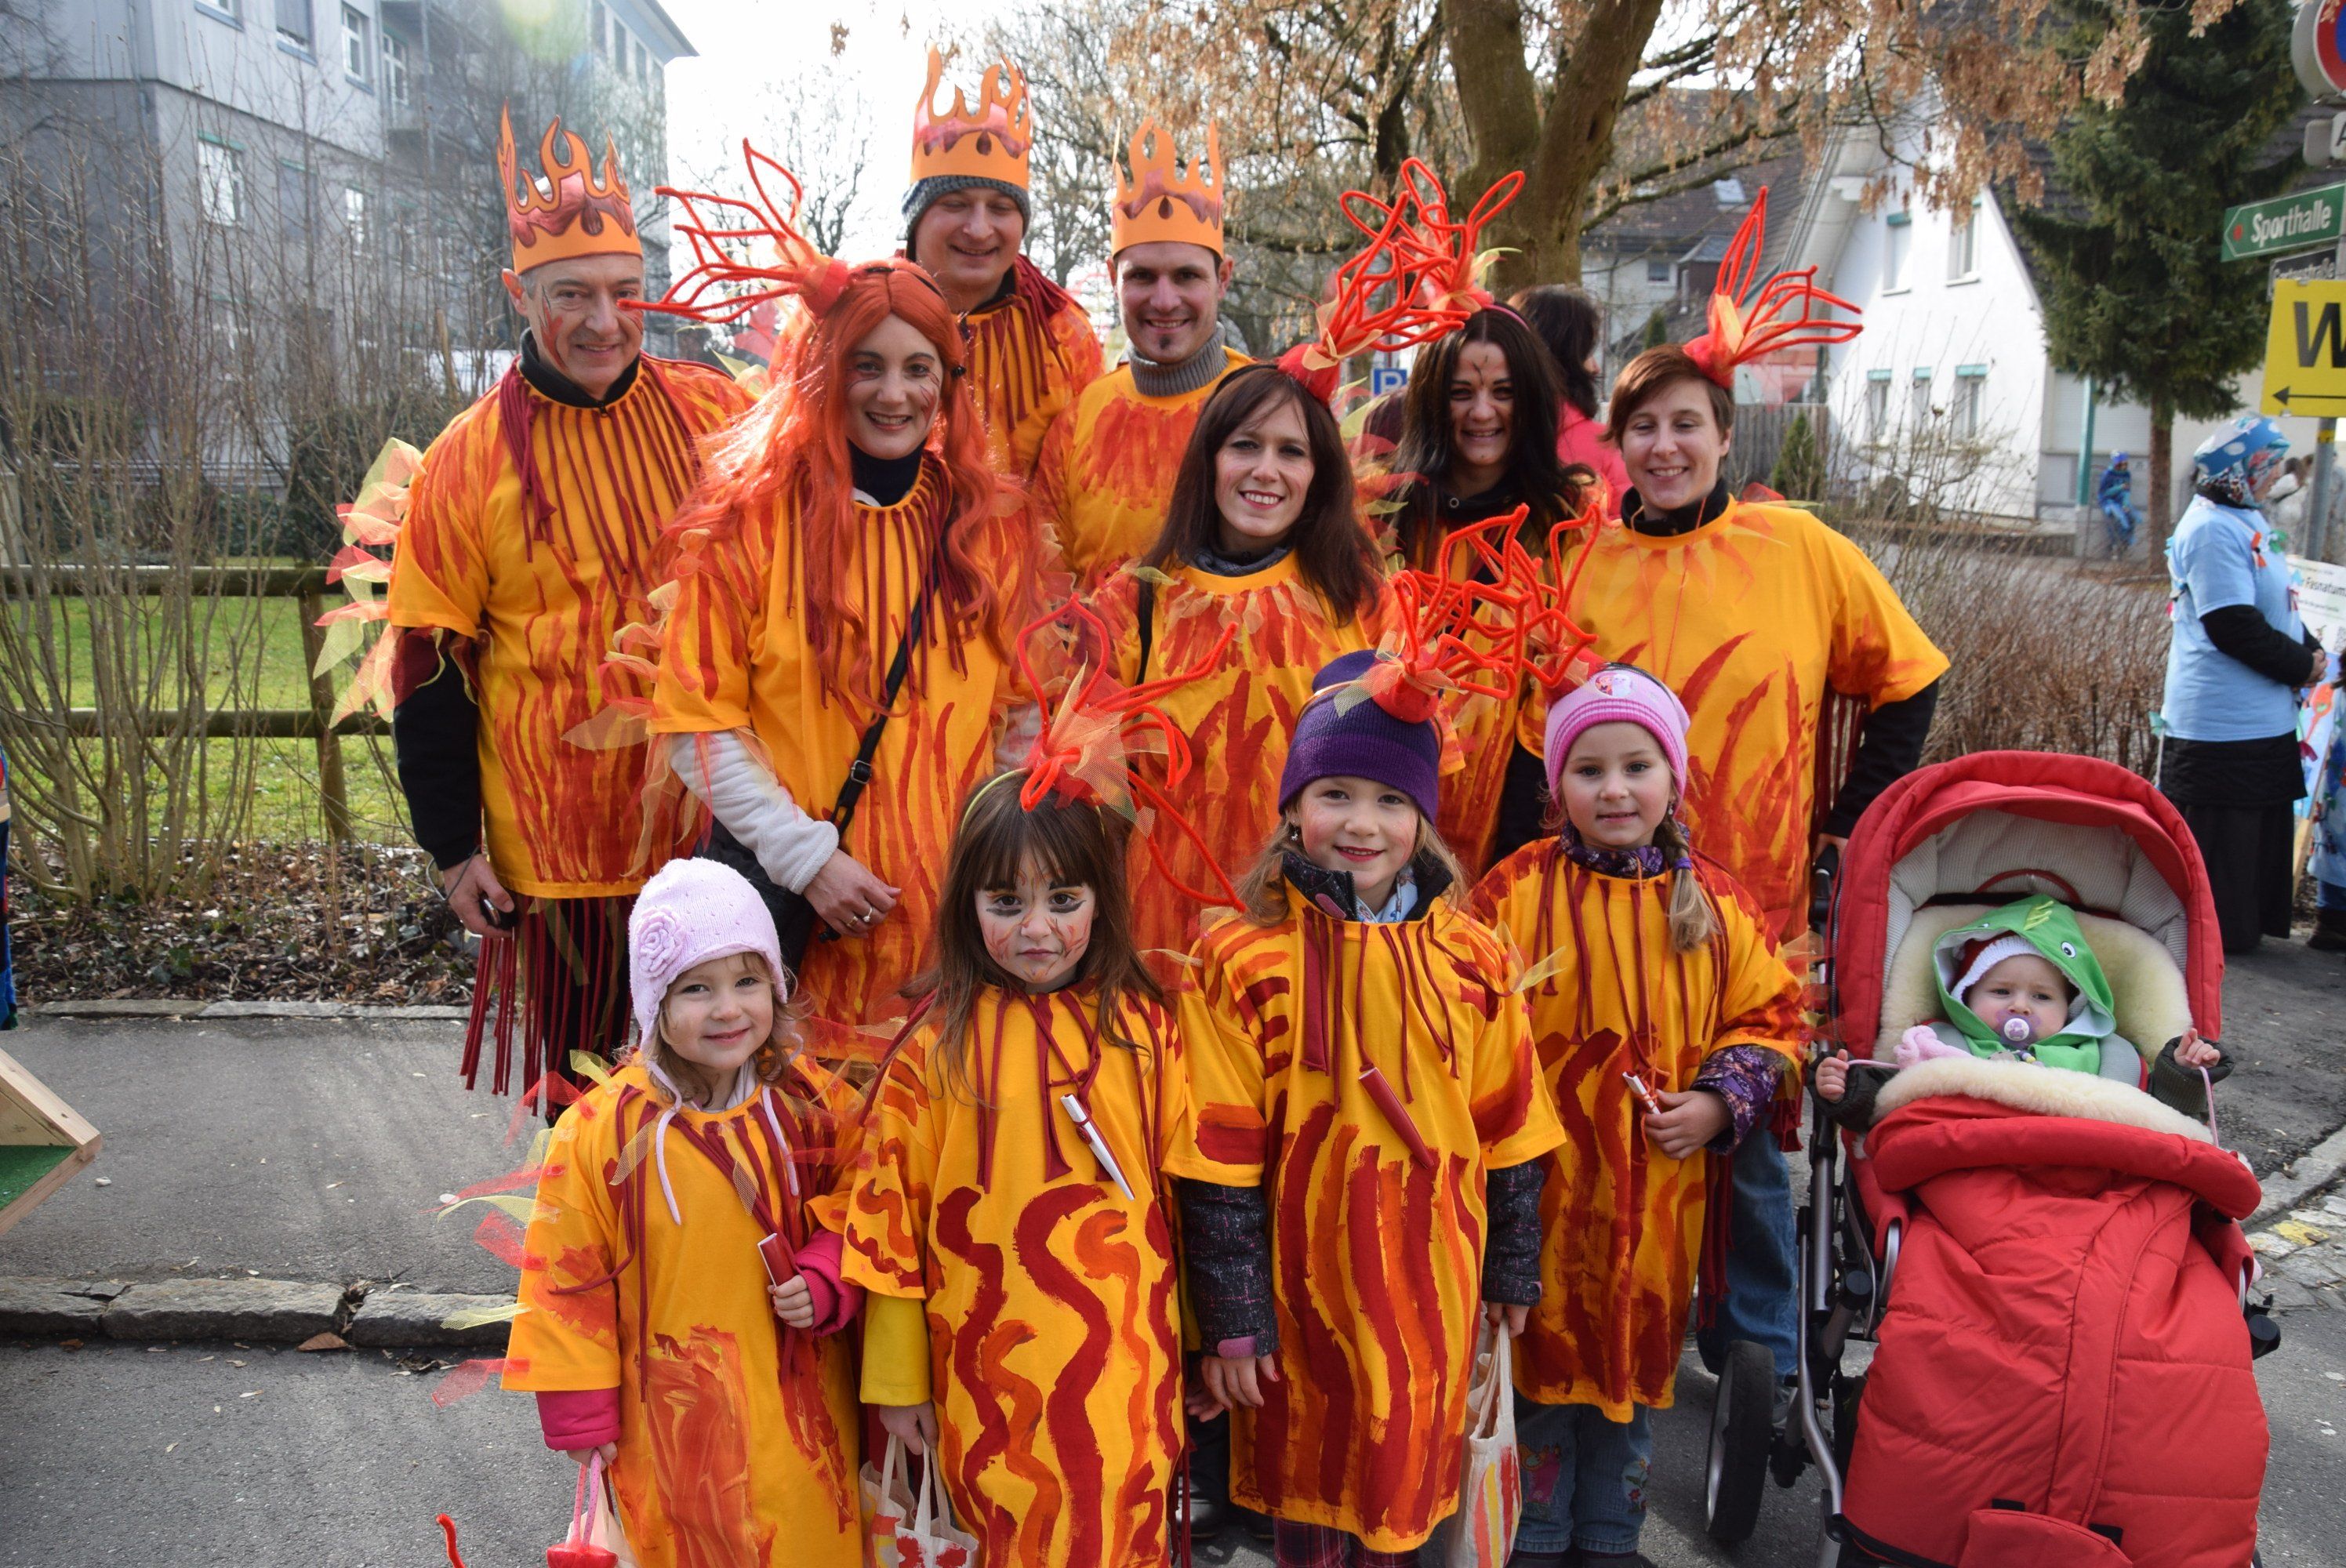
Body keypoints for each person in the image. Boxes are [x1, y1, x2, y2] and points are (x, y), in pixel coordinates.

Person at [1557, 187, 1946, 1396]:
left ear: (1726, 437)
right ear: (1619, 445)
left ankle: (1759, 1361)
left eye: (1687, 424)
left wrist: (1848, 824)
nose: (1665, 448)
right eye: (1643, 428)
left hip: (1758, 909)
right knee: (1619, 1120)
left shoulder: (1803, 550)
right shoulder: (1582, 564)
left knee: (1751, 1140)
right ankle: (1607, 1346)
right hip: (1613, 905)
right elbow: (1540, 733)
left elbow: (1909, 679)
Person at [1169, 648, 1565, 1566]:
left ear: (1423, 818)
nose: (1361, 822)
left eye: (1390, 799)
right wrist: (1232, 1317)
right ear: (1292, 807)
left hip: (1432, 1287)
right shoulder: (1241, 959)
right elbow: (1218, 1161)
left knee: (1407, 1493)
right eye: (1335, 793)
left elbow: (1511, 1127)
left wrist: (1510, 1266)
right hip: (1298, 1294)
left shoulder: (1474, 959)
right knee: (1311, 1495)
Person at [386, 111, 754, 1099]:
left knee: (721, 1094)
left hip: (718, 831)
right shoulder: (466, 461)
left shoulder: (715, 414)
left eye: (623, 292)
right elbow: (425, 663)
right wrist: (452, 848)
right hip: (559, 860)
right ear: (519, 293)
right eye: (571, 295)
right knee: (591, 1108)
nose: (603, 321)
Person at [644, 150, 1037, 1028]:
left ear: (946, 383)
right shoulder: (750, 525)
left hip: (950, 930)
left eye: (918, 368)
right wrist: (808, 859)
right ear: (825, 373)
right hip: (800, 928)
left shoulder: (986, 529)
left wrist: (995, 874)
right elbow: (696, 727)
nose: (894, 394)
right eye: (867, 366)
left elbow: (1020, 718)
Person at [1467, 665, 1801, 1566]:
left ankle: (1611, 1532)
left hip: (1657, 1196)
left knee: (1633, 1360)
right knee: (1537, 1352)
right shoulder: (1513, 890)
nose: (1613, 789)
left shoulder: (1716, 903)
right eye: (1589, 770)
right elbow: (1460, 1005)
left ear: (1672, 777)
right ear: (1557, 785)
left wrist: (1718, 1101)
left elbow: (1772, 1015)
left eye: (1636, 766)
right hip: (1541, 1188)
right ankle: (1536, 1529)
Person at [839, 736, 1191, 1566]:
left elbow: (1186, 1201)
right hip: (984, 1374)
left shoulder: (1145, 1032)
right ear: (967, 905)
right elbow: (889, 1229)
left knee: (1119, 1521)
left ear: (1102, 900)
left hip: (1132, 1367)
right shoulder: (931, 1051)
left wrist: (1208, 1342)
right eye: (1005, 902)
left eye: (1063, 898)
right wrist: (898, 1382)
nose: (1037, 929)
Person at [503, 858, 865, 1568]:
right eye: (697, 988)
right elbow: (565, 1274)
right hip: (667, 1420)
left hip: (800, 1409)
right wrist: (580, 1405)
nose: (728, 1010)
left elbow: (865, 1203)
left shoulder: (811, 1105)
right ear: (655, 1003)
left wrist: (827, 1274)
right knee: (684, 1542)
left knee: (805, 1535)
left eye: (748, 982)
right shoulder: (602, 1132)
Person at [1085, 364, 1389, 965]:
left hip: (1319, 933)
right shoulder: (1130, 602)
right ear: (1209, 458)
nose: (1266, 470)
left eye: (1291, 451)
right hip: (1163, 935)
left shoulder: (1361, 600)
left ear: (1319, 472)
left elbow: (1405, 789)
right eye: (1245, 445)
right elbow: (1093, 799)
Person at [1383, 307, 1575, 880]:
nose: (1482, 412)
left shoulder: (1567, 526)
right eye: (1461, 393)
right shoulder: (1383, 518)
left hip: (1514, 829)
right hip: (1381, 817)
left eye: (1504, 392)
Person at [1032, 119, 1250, 587]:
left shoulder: (1268, 408)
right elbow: (1049, 586)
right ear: (1114, 279)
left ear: (1223, 278)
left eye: (1187, 276)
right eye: (1143, 276)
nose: (1165, 301)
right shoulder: (1076, 424)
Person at [1814, 894, 2228, 1129]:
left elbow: (2161, 1116)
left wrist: (2184, 1074)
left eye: (2042, 997)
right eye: (2000, 991)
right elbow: (1883, 1107)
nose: (2019, 1005)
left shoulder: (2107, 1055)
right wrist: (1847, 1090)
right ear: (1964, 996)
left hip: (2090, 1168)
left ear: (2072, 1009)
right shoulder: (1939, 1045)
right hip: (1971, 1165)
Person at [2158, 415, 2326, 954]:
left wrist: (2312, 649)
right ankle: (2219, 941)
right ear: (2242, 470)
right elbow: (2231, 623)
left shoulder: (2244, 518)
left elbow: (2275, 607)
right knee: (2225, 842)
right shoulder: (2211, 528)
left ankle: (2243, 929)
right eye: (2269, 465)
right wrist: (2301, 666)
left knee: (2253, 833)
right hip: (2221, 723)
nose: (2278, 473)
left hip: (2259, 719)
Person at [903, 48, 1103, 480]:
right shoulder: (851, 313)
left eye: (1000, 208)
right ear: (916, 218)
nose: (979, 229)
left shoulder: (1065, 337)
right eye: (955, 204)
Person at [1511, 283, 1630, 514]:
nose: (1595, 368)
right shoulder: (1606, 445)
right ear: (1568, 358)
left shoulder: (1488, 438)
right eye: (1588, 353)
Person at [2097, 450, 2141, 551]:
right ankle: (2114, 543)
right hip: (2108, 502)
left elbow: (2127, 491)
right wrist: (2119, 488)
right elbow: (2104, 493)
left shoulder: (2127, 474)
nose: (2123, 467)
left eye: (2125, 464)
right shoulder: (2108, 474)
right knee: (2115, 519)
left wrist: (2125, 504)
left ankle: (2125, 541)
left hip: (2121, 501)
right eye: (2121, 464)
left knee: (2131, 517)